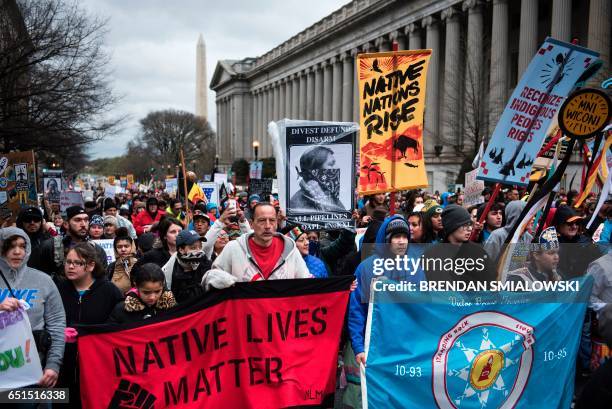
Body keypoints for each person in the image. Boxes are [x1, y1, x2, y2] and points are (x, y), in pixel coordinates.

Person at [56, 242, 122, 408]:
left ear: (91, 265)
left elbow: (120, 326)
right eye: (68, 262)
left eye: (77, 263)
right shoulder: (57, 289)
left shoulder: (109, 291)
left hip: (97, 370)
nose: (70, 267)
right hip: (63, 368)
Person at [0, 227, 66, 390]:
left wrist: (53, 365)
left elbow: (57, 325)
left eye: (22, 246)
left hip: (35, 374)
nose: (17, 252)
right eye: (10, 246)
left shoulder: (43, 281)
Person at [202, 203, 311, 289]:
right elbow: (210, 280)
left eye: (272, 220)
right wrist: (216, 279)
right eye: (262, 220)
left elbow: (307, 285)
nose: (268, 226)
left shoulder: (290, 250)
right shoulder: (233, 248)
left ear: (277, 223)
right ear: (252, 223)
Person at [423, 204, 495, 282]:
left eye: (470, 224)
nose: (470, 229)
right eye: (465, 225)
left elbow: (490, 283)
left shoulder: (478, 252)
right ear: (451, 226)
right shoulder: (432, 255)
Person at [39, 206, 108, 277]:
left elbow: (102, 278)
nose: (83, 224)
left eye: (86, 220)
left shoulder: (96, 250)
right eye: (78, 220)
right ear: (66, 224)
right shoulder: (50, 246)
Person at [108, 263, 177, 324]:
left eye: (157, 291)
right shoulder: (121, 311)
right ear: (136, 286)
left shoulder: (171, 307)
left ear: (163, 285)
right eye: (146, 292)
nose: (152, 297)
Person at [161, 230, 211, 303]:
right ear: (181, 250)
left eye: (200, 247)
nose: (198, 251)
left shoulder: (205, 262)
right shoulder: (171, 271)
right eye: (193, 248)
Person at [290, 146, 345, 212]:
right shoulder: (298, 201)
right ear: (315, 170)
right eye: (331, 164)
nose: (337, 167)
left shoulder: (329, 195)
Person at [554, 205, 602, 279]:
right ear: (559, 224)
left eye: (577, 223)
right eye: (570, 223)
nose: (574, 226)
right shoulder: (549, 241)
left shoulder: (587, 244)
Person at [16, 206, 52, 272]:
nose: (32, 222)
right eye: (27, 219)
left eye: (36, 219)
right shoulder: (14, 240)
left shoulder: (47, 239)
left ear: (41, 221)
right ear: (21, 221)